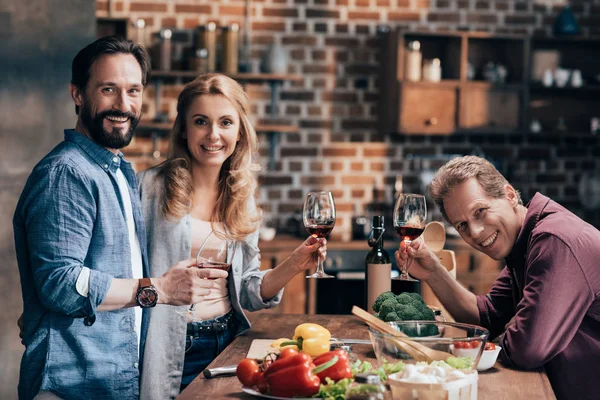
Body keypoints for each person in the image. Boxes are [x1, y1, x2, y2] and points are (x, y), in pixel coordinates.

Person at [13, 36, 226, 400]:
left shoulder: (117, 172)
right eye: (108, 89)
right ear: (78, 94)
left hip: (113, 381)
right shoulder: (67, 172)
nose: (123, 105)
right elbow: (60, 283)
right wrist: (158, 289)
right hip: (71, 385)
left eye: (133, 90)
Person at [137, 73, 327, 399]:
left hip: (227, 342)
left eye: (225, 122)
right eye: (201, 121)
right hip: (166, 342)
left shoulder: (241, 196)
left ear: (239, 132)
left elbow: (249, 292)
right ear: (183, 128)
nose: (213, 134)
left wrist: (295, 263)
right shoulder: (148, 188)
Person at [397, 155, 600, 400]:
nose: (475, 232)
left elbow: (527, 349)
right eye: (461, 225)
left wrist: (512, 332)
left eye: (480, 212)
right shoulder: (525, 241)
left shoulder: (554, 240)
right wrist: (433, 271)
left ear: (510, 195)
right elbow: (488, 316)